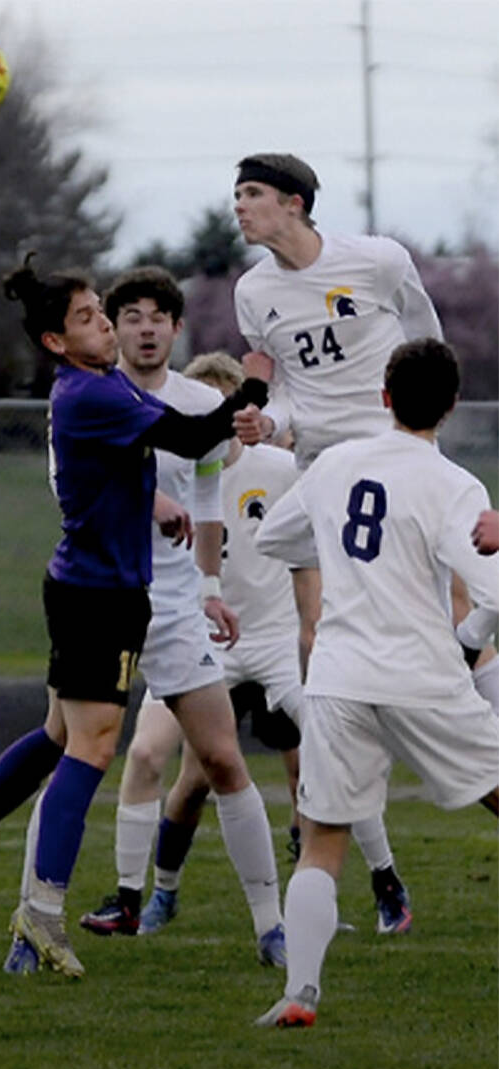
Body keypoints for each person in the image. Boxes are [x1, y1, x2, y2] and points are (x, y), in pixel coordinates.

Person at [0, 256, 271, 978]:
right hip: (98, 597)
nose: (107, 325)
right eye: (90, 317)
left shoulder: (102, 380)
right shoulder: (90, 392)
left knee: (60, 737)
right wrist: (255, 384)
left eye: (102, 312)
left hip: (104, 590)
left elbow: (179, 443)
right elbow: (193, 439)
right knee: (94, 748)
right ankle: (40, 912)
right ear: (56, 341)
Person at [252, 337, 499, 1028]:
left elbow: (274, 538)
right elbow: (492, 590)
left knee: (323, 838)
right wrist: (468, 641)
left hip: (338, 678)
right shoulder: (453, 484)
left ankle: (300, 992)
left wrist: (337, 549)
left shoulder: (335, 464)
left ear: (383, 397)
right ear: (451, 406)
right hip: (422, 674)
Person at [133, 352, 411, 938]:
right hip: (205, 640)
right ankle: (160, 892)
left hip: (277, 639)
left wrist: (315, 624)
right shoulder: (174, 472)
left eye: (226, 405)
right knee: (182, 774)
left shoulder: (280, 470)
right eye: (204, 407)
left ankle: (385, 882)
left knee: (331, 753)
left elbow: (316, 540)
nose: (217, 417)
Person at [231, 151, 499, 717]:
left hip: (394, 451)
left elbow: (427, 343)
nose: (239, 206)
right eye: (237, 195)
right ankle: (337, 728)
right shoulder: (252, 293)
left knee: (439, 605)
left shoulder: (377, 260)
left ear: (294, 204)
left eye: (252, 193)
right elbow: (285, 388)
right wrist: (269, 421)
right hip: (322, 467)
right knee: (294, 566)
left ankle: (460, 687)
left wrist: (422, 418)